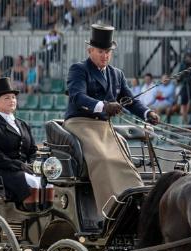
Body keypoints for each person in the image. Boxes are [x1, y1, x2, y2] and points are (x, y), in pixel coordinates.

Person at [64, 24, 160, 218]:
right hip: (80, 124)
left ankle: (134, 203)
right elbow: (77, 96)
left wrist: (147, 113)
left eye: (108, 52)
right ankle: (110, 209)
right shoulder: (79, 69)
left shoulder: (117, 74)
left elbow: (130, 101)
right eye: (100, 51)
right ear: (90, 50)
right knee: (103, 158)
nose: (105, 55)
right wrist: (103, 105)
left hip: (104, 127)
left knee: (123, 159)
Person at [0, 77, 42, 208]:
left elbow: (33, 150)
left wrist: (31, 165)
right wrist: (20, 165)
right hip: (0, 172)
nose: (12, 100)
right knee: (33, 182)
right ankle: (31, 215)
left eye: (13, 97)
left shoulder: (23, 124)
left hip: (23, 170)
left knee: (47, 181)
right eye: (7, 98)